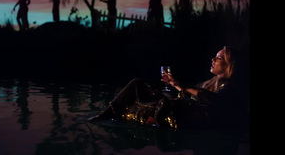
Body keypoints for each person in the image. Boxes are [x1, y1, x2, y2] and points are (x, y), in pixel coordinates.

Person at [90, 46, 249, 132]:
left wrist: (184, 87)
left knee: (135, 106)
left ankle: (107, 115)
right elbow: (193, 92)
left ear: (229, 66)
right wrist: (175, 84)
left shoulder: (230, 87)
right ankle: (108, 113)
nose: (213, 59)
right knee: (138, 84)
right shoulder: (211, 82)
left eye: (219, 58)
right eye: (215, 56)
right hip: (175, 108)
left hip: (177, 113)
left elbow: (214, 100)